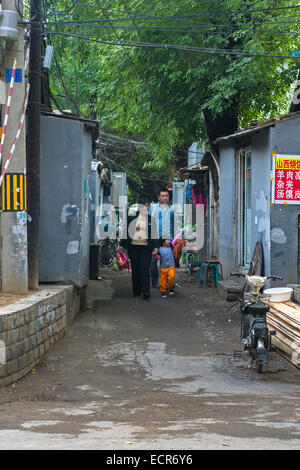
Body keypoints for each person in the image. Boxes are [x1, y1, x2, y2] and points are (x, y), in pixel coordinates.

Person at [120, 198, 159, 301]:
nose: (145, 208)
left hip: (146, 248)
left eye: (147, 206)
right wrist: (122, 245)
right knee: (136, 269)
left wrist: (156, 247)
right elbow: (125, 232)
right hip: (133, 247)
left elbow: (154, 234)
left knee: (145, 269)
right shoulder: (131, 218)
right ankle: (136, 291)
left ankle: (146, 292)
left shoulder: (151, 220)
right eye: (144, 205)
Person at [149, 189, 175, 287]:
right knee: (153, 260)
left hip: (168, 239)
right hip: (155, 238)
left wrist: (174, 239)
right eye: (163, 196)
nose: (165, 197)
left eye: (166, 196)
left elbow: (174, 224)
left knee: (168, 261)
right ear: (159, 197)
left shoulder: (172, 209)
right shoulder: (153, 208)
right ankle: (154, 279)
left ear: (169, 197)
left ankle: (168, 280)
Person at [157, 230, 183, 298]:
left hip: (171, 266)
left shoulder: (171, 247)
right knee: (163, 280)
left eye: (169, 240)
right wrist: (154, 255)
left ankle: (170, 287)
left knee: (172, 277)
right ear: (163, 242)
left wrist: (179, 234)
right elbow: (158, 257)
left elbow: (174, 240)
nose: (169, 241)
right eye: (167, 240)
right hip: (163, 267)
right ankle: (163, 291)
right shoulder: (159, 249)